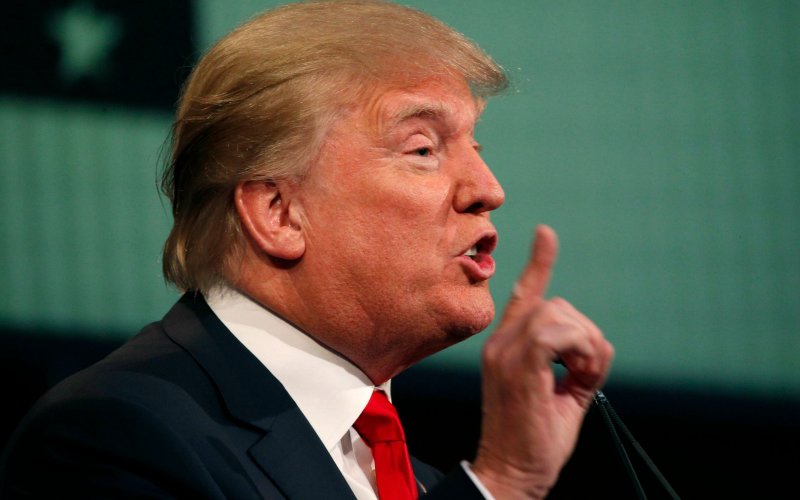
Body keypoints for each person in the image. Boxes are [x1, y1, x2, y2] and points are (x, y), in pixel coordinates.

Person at [0, 1, 613, 498]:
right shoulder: (116, 436)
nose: (489, 190)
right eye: (423, 148)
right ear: (279, 213)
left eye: (476, 148)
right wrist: (500, 486)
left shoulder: (420, 484)